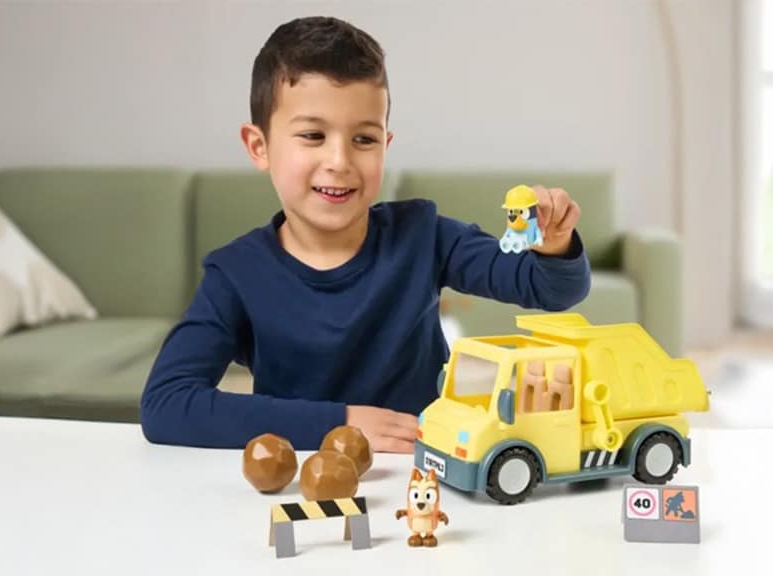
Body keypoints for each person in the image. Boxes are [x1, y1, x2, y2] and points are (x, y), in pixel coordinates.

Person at [139, 16, 591, 452]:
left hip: (421, 476)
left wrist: (554, 244)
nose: (340, 161)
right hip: (301, 479)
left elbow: (552, 289)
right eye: (313, 135)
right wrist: (338, 423)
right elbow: (166, 404)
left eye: (364, 139)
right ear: (260, 146)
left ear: (385, 145)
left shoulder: (424, 235)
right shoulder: (236, 274)